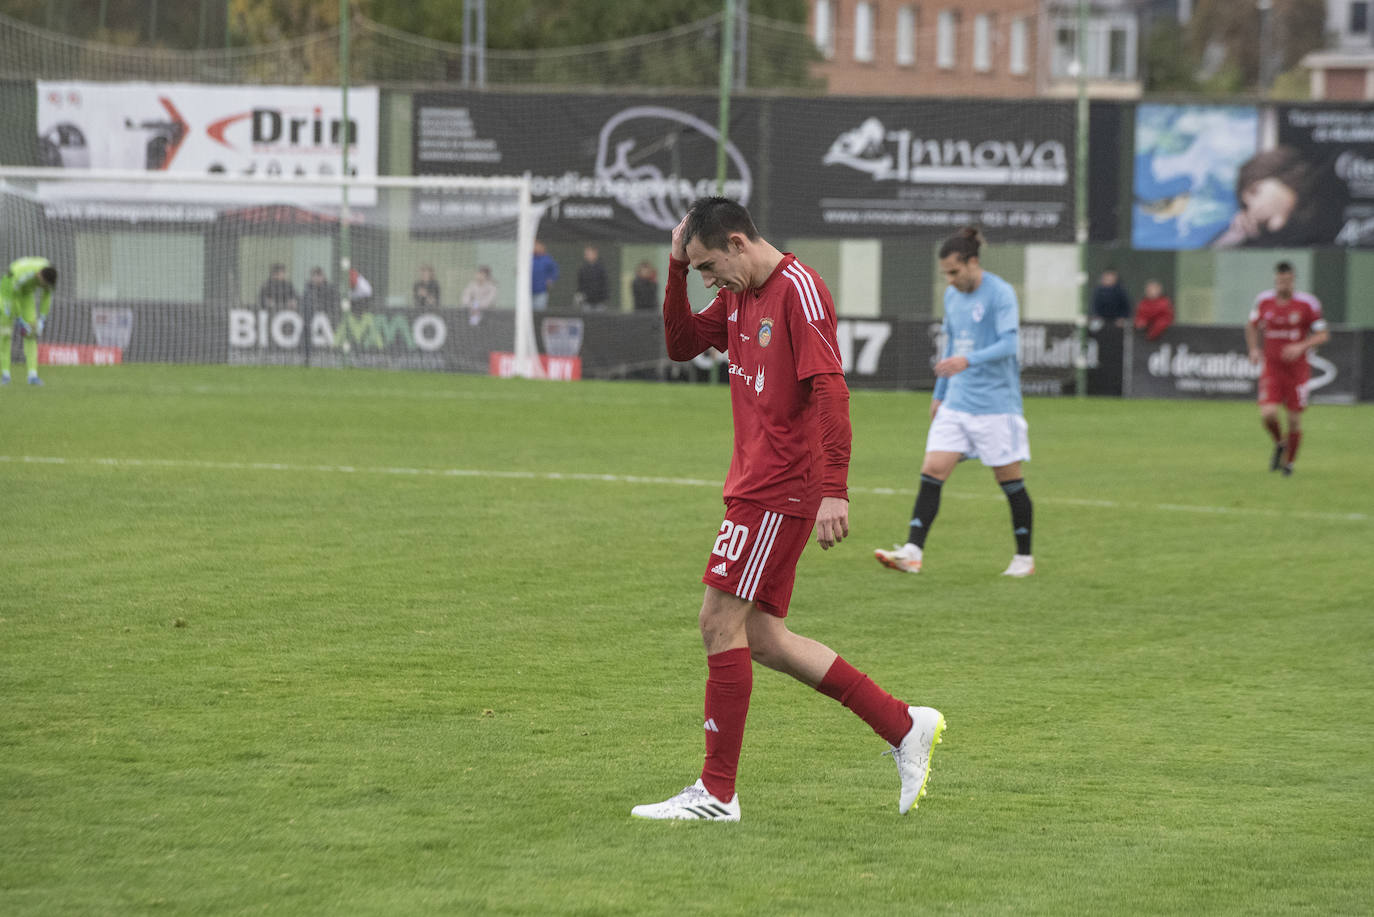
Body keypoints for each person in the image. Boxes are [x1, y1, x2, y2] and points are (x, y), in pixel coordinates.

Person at [632, 196, 946, 823]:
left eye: (706, 266)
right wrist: (673, 268)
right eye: (696, 272)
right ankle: (903, 723)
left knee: (717, 622)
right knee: (765, 640)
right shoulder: (739, 295)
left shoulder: (798, 290)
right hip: (757, 485)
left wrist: (836, 488)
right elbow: (679, 344)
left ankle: (717, 794)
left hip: (780, 488)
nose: (706, 279)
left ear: (739, 244)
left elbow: (831, 391)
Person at [875, 227, 1035, 578]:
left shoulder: (1001, 293)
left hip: (996, 407)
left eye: (954, 272)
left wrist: (968, 360)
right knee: (932, 470)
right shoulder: (952, 297)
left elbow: (1010, 345)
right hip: (958, 403)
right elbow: (950, 348)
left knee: (1009, 481)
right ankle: (912, 552)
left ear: (972, 263)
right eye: (945, 273)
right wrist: (939, 394)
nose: (949, 280)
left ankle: (1024, 558)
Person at [1245, 261, 1328, 476]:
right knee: (1268, 414)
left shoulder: (1308, 304)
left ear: (1293, 280)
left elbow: (1323, 334)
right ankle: (1280, 443)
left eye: (1288, 280)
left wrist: (1301, 345)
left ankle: (1288, 464)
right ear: (1276, 280)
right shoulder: (1263, 301)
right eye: (1280, 280)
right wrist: (1254, 349)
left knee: (1293, 418)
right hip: (1272, 368)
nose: (1284, 284)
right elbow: (1251, 326)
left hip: (1297, 371)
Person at [1, 256, 57, 386]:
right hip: (7, 293)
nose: (42, 286)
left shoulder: (49, 276)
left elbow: (47, 296)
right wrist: (20, 319)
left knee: (31, 334)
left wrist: (42, 319)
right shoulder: (23, 275)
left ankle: (33, 375)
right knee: (5, 336)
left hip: (26, 295)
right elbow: (13, 296)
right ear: (39, 275)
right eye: (42, 283)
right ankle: (5, 375)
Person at [575, 244, 609, 311]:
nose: (586, 255)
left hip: (599, 302)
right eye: (586, 254)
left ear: (595, 254)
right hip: (586, 302)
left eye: (589, 253)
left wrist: (604, 298)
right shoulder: (583, 269)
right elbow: (580, 284)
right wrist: (579, 295)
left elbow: (605, 284)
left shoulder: (601, 268)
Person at [530, 240, 558, 311]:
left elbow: (554, 271)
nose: (535, 248)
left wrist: (551, 280)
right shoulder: (528, 258)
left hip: (541, 292)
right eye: (534, 245)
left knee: (539, 312)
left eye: (537, 246)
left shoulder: (547, 259)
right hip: (527, 292)